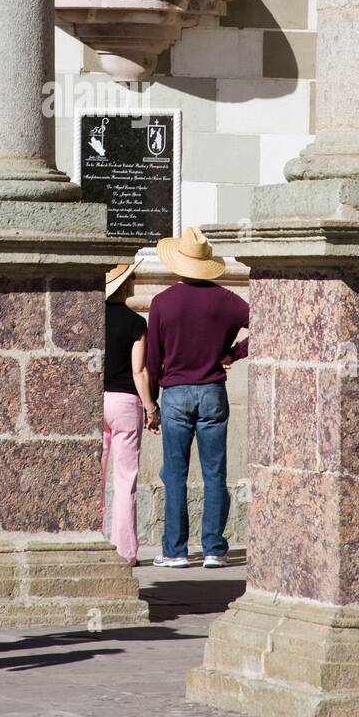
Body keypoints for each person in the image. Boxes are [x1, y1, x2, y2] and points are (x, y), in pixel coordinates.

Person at [147, 226, 249, 570]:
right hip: (212, 392)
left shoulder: (162, 303)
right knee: (214, 472)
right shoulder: (227, 301)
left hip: (175, 392)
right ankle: (214, 548)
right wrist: (234, 354)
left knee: (174, 474)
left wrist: (152, 399)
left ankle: (175, 550)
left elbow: (151, 358)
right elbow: (268, 322)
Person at [102, 262, 160, 567]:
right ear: (124, 286)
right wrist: (151, 407)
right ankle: (125, 551)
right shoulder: (137, 323)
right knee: (125, 479)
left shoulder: (91, 318)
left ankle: (93, 542)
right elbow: (139, 371)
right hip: (125, 402)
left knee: (94, 478)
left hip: (96, 401)